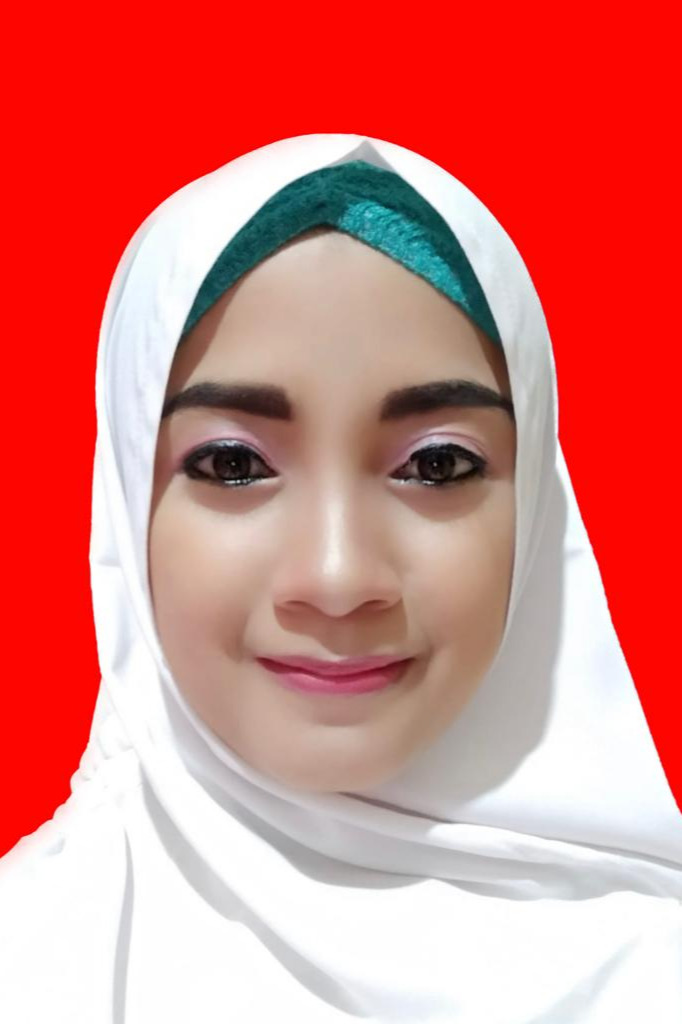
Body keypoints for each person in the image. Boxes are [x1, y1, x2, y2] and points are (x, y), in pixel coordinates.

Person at [0, 133, 680, 1022]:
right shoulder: (36, 962)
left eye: (436, 465)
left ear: (537, 510)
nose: (336, 576)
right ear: (128, 506)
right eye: (233, 465)